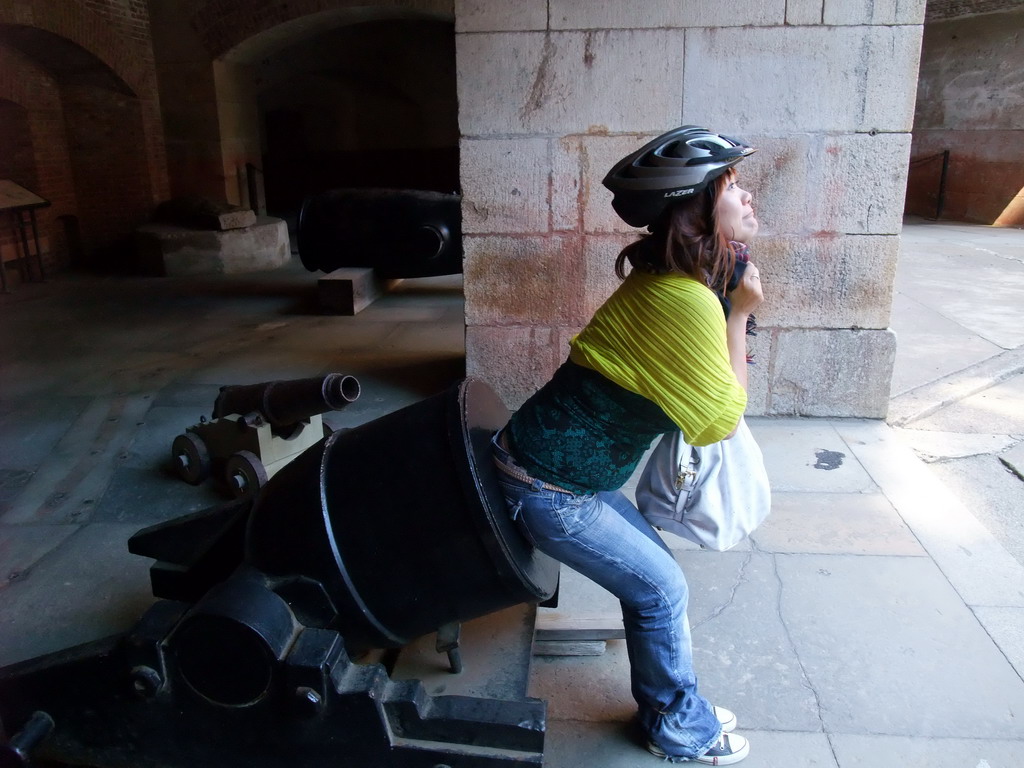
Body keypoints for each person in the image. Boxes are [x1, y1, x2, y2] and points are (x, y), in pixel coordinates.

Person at [490, 125, 764, 764]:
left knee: (658, 579)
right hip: (549, 489)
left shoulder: (673, 284)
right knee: (662, 591)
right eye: (732, 187)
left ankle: (674, 705)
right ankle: (678, 727)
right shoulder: (687, 299)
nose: (749, 198)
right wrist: (740, 313)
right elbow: (718, 420)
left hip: (554, 473)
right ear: (696, 206)